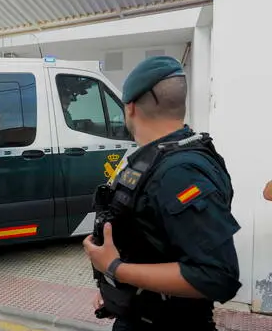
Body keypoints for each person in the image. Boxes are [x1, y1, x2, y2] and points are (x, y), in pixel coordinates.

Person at [82, 56, 242, 330]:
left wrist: (115, 267)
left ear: (130, 108)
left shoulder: (179, 173)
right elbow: (155, 244)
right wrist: (118, 293)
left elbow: (216, 275)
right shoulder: (159, 159)